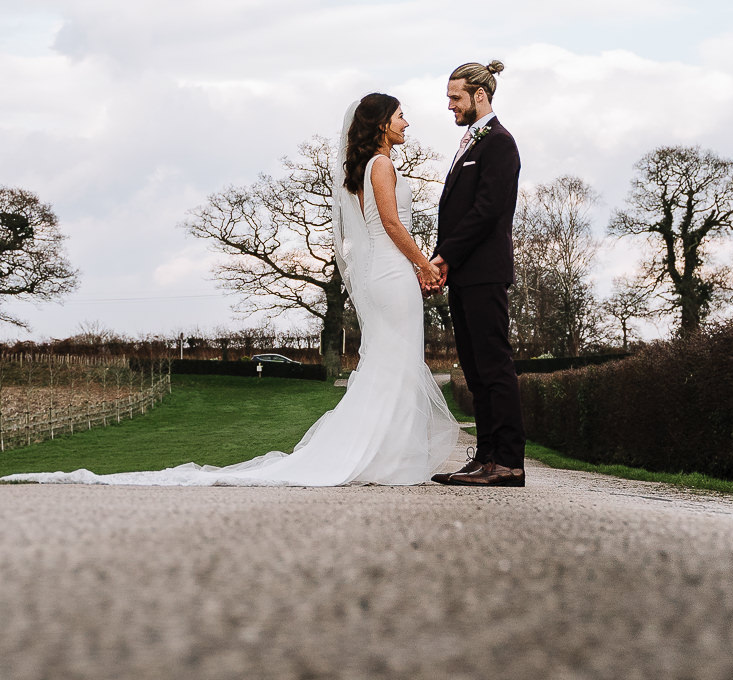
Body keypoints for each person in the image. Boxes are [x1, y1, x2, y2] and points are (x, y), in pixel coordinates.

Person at [1, 94, 460, 487]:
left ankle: (386, 455)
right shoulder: (382, 165)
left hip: (384, 272)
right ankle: (390, 458)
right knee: (396, 362)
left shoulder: (365, 166)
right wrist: (424, 264)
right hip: (393, 272)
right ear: (381, 123)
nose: (406, 123)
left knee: (390, 362)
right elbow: (393, 224)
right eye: (400, 116)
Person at [426, 60, 526, 488]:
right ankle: (486, 457)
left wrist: (442, 257)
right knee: (474, 368)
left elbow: (485, 212)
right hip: (464, 273)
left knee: (495, 365)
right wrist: (442, 260)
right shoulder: (471, 143)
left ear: (479, 96)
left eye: (455, 97)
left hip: (485, 271)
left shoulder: (500, 143)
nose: (450, 105)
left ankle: (508, 462)